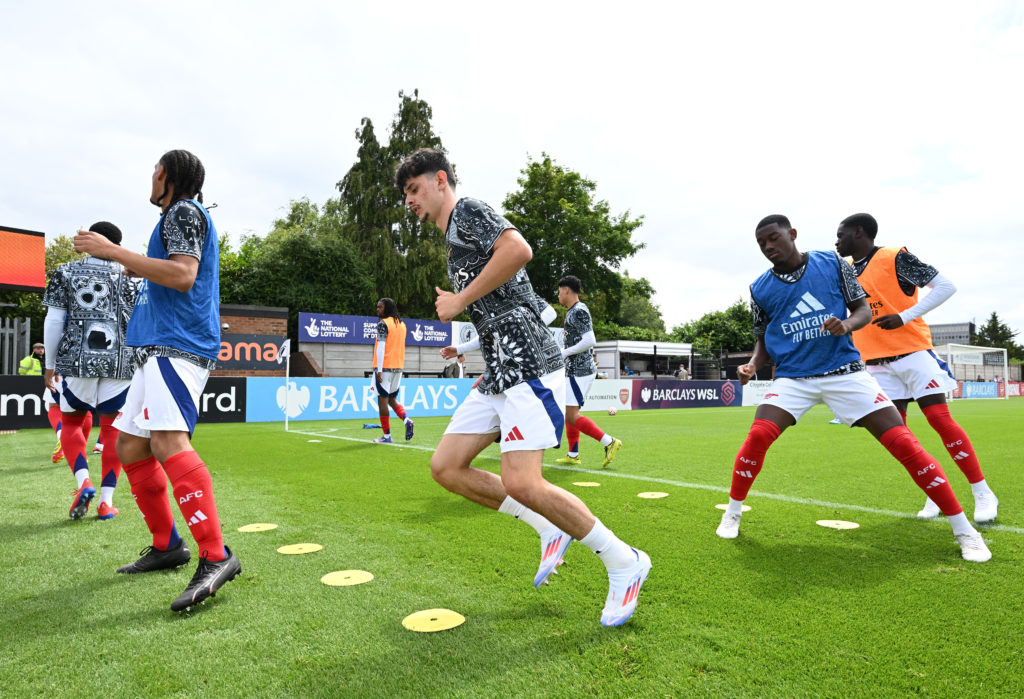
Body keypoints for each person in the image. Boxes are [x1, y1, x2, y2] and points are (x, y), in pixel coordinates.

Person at [397, 148, 650, 626]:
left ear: (441, 180)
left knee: (523, 481)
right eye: (406, 194)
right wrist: (475, 346)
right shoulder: (453, 243)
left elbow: (519, 251)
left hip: (530, 364)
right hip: (499, 369)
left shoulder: (468, 211)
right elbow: (511, 300)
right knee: (446, 467)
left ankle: (625, 561)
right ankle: (546, 528)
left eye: (414, 189)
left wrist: (459, 301)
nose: (409, 200)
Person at [716, 215, 990, 563]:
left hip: (845, 372)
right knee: (758, 436)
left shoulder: (831, 262)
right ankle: (733, 512)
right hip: (793, 378)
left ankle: (965, 530)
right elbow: (762, 339)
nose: (768, 247)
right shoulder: (759, 288)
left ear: (792, 234)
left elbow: (861, 309)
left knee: (904, 441)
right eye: (761, 243)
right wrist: (753, 364)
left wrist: (845, 324)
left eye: (774, 238)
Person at [73, 149, 241, 612]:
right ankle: (168, 545)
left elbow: (184, 276)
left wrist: (111, 250)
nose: (151, 176)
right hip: (156, 348)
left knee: (168, 442)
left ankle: (215, 555)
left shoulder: (183, 211)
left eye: (154, 170)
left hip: (177, 345)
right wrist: (134, 265)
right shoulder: (175, 218)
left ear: (166, 175)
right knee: (127, 447)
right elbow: (172, 272)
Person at [836, 212, 998, 522]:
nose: (837, 240)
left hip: (912, 352)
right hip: (875, 363)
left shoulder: (894, 257)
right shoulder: (843, 272)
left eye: (841, 234)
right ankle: (934, 491)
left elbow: (945, 286)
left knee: (939, 419)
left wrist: (904, 316)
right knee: (900, 435)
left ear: (859, 232)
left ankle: (982, 492)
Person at [43, 221, 137, 520]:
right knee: (112, 431)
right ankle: (106, 502)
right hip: (120, 362)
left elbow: (54, 321)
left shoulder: (65, 271)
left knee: (71, 423)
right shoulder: (131, 274)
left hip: (76, 359)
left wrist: (50, 366)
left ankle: (84, 481)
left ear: (90, 238)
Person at [553, 275, 621, 467]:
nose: (558, 296)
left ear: (566, 290)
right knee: (569, 411)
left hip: (580, 370)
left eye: (559, 292)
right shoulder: (573, 311)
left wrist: (565, 352)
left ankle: (609, 442)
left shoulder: (579, 311)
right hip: (574, 369)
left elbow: (590, 340)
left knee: (571, 414)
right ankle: (573, 454)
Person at [371, 298, 414, 443]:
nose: (377, 309)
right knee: (392, 399)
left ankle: (387, 436)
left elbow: (382, 347)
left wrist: (380, 370)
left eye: (380, 307)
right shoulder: (402, 324)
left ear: (387, 308)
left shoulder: (383, 324)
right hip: (398, 368)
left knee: (382, 402)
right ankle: (407, 420)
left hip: (385, 367)